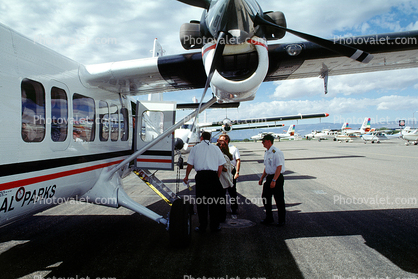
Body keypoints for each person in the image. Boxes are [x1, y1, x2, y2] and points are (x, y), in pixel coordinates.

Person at [184, 131, 226, 233]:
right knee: (214, 203)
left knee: (201, 202)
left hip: (201, 177)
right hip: (213, 176)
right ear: (210, 138)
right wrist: (217, 177)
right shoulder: (216, 148)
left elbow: (190, 164)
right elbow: (221, 165)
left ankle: (202, 226)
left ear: (201, 138)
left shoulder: (195, 148)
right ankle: (215, 226)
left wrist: (186, 176)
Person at [258, 134, 286, 226]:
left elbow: (279, 167)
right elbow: (267, 167)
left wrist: (274, 181)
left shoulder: (276, 152)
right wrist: (262, 178)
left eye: (263, 141)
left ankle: (281, 220)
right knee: (265, 197)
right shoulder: (267, 152)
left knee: (279, 200)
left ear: (269, 141)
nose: (262, 143)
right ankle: (269, 218)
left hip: (276, 178)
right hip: (269, 177)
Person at [219, 134, 240, 215]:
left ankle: (234, 208)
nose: (220, 142)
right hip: (222, 172)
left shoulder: (234, 148)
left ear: (226, 140)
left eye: (222, 140)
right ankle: (222, 210)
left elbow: (238, 160)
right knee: (222, 192)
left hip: (231, 171)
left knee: (232, 191)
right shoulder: (219, 148)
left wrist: (237, 172)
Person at [217, 139, 234, 222]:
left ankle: (222, 217)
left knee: (221, 200)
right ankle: (220, 216)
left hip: (222, 181)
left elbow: (225, 169)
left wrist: (216, 165)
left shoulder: (224, 157)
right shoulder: (222, 156)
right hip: (220, 181)